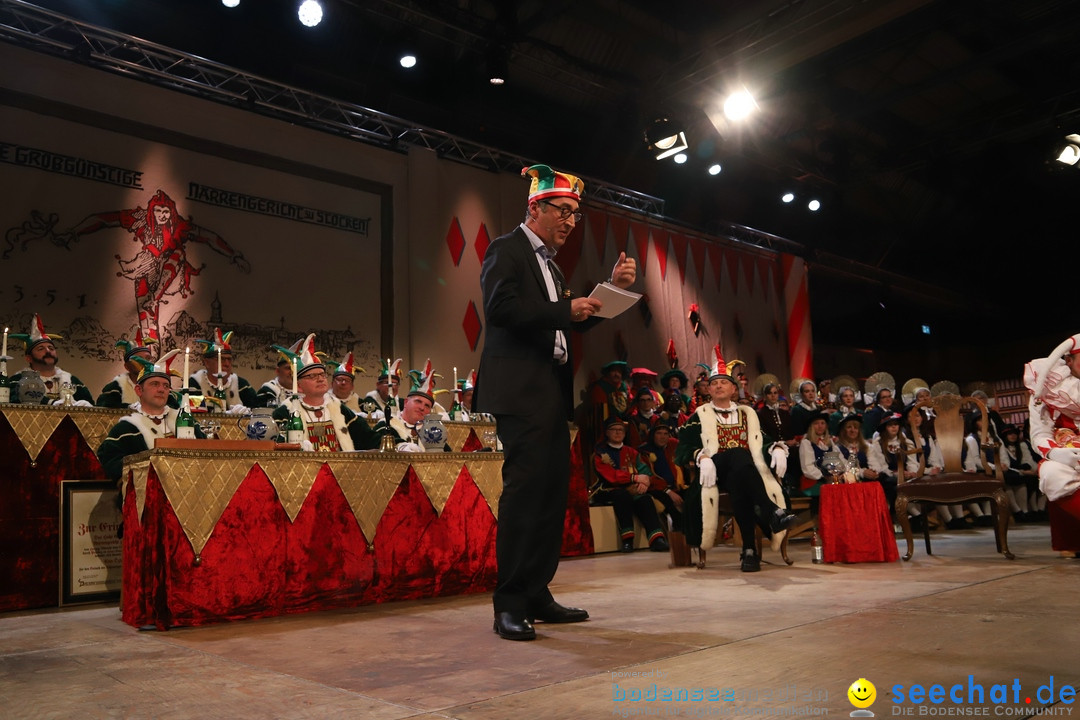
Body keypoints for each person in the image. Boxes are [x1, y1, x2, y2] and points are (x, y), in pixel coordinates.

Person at [474, 163, 636, 641]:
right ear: (535, 208)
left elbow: (565, 321)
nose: (569, 221)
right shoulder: (507, 250)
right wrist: (566, 308)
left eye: (575, 214)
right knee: (524, 494)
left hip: (550, 388)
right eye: (562, 211)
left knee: (550, 494)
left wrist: (610, 295)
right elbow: (501, 309)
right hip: (520, 389)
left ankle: (537, 592)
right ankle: (509, 603)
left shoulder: (553, 266)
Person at [674, 346, 798, 572]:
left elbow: (764, 441)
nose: (718, 386)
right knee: (739, 455)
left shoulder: (748, 414)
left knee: (741, 481)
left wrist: (777, 449)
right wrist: (701, 456)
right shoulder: (698, 416)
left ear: (734, 389)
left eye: (724, 383)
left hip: (742, 474)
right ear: (708, 390)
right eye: (714, 383)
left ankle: (749, 552)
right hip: (713, 473)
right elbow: (682, 449)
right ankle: (772, 512)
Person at [97, 349, 205, 482]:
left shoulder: (185, 421)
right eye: (154, 384)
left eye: (166, 386)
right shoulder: (125, 429)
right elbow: (110, 464)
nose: (161, 389)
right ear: (139, 390)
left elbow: (204, 455)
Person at [271, 335, 381, 452]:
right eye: (312, 376)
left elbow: (370, 438)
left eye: (323, 374)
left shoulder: (339, 409)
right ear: (299, 386)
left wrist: (397, 443)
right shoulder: (285, 413)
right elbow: (275, 446)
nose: (320, 379)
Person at [590, 417, 669, 553]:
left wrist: (644, 483)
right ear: (607, 433)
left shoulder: (632, 452)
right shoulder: (600, 453)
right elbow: (610, 476)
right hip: (607, 489)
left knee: (645, 499)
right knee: (622, 495)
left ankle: (657, 539)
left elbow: (645, 472)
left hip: (632, 487)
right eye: (613, 430)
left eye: (620, 430)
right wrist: (635, 478)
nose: (617, 432)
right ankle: (627, 540)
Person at [8, 314, 94, 405]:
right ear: (29, 358)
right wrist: (51, 403)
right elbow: (15, 400)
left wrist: (85, 405)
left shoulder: (73, 381)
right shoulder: (18, 381)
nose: (48, 351)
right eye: (41, 349)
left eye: (51, 348)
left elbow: (93, 406)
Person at [374, 369, 451, 452]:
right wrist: (400, 446)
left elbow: (448, 456)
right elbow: (375, 442)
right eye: (418, 401)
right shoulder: (388, 423)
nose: (422, 408)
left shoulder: (432, 432)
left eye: (427, 406)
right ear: (406, 402)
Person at [189, 328, 258, 413]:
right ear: (207, 363)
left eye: (229, 359)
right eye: (221, 359)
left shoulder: (242, 385)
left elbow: (257, 411)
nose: (227, 364)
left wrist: (247, 413)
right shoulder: (194, 384)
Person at [637, 422, 686, 529]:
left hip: (677, 486)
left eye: (666, 434)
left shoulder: (672, 445)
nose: (663, 437)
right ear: (652, 435)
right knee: (674, 510)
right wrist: (668, 491)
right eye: (659, 433)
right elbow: (647, 476)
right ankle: (678, 540)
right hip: (656, 489)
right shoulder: (644, 451)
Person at [96, 329, 156, 408]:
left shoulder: (160, 386)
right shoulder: (116, 387)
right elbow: (104, 409)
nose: (144, 362)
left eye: (148, 358)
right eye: (138, 359)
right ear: (127, 367)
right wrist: (132, 408)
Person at [256, 337, 302, 408]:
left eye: (296, 369)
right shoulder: (268, 390)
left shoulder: (304, 391)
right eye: (288, 368)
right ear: (277, 371)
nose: (292, 372)